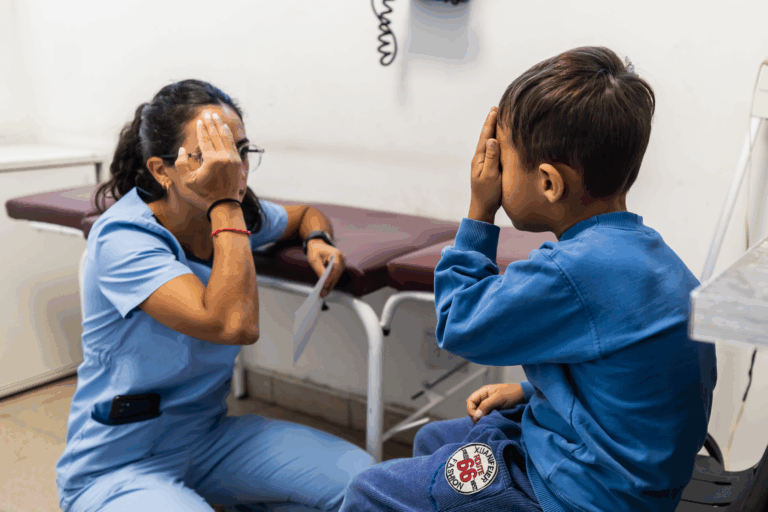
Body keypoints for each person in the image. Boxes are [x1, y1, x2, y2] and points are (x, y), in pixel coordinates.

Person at [340, 47, 717, 512]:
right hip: (634, 472)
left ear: (548, 183)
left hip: (582, 492)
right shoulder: (647, 253)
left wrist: (480, 209)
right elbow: (626, 383)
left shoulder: (576, 271)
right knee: (436, 437)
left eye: (504, 161)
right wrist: (527, 391)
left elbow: (460, 322)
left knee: (367, 492)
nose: (492, 173)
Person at [56, 79, 373, 512]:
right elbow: (232, 324)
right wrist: (225, 201)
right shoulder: (123, 237)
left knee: (366, 482)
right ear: (160, 169)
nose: (234, 168)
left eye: (240, 151)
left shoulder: (230, 217)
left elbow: (303, 214)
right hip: (117, 463)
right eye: (210, 155)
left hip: (206, 439)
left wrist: (315, 238)